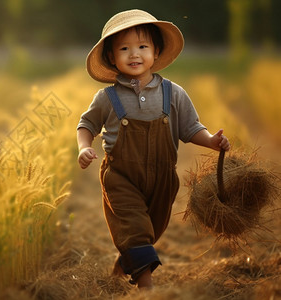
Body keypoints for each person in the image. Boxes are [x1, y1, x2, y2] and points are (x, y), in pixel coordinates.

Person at [76, 9, 231, 289]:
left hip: (162, 179)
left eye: (142, 47)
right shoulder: (107, 97)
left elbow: (191, 127)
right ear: (112, 57)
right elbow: (86, 124)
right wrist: (83, 147)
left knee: (151, 230)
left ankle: (126, 264)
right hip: (121, 176)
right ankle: (147, 288)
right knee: (135, 229)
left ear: (156, 51)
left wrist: (210, 140)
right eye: (124, 48)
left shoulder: (174, 93)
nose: (134, 54)